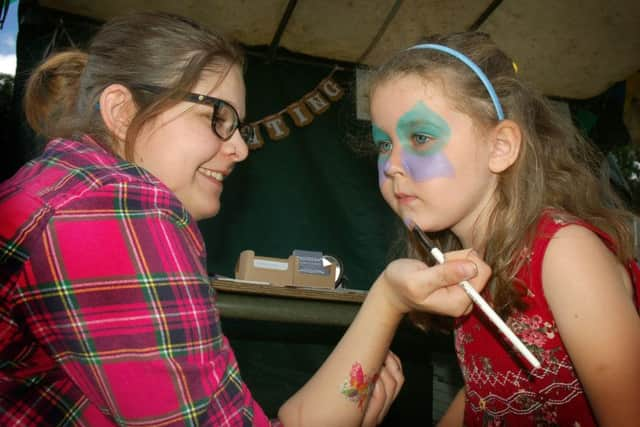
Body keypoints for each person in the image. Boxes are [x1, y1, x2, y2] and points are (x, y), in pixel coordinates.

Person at [0, 12, 491, 427]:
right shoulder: (118, 204)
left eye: (237, 125)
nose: (238, 147)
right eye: (217, 117)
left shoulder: (60, 184)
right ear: (122, 111)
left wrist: (387, 296)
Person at [367, 31, 640, 426]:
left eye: (421, 137)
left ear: (500, 148)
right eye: (383, 144)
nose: (392, 164)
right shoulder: (472, 262)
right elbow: (494, 389)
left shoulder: (565, 255)